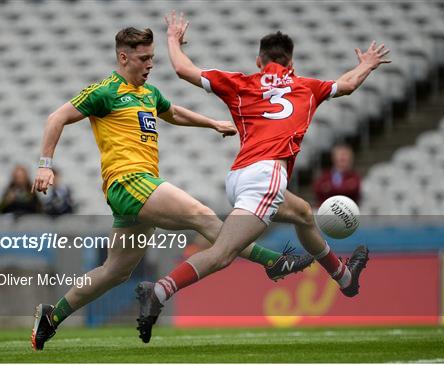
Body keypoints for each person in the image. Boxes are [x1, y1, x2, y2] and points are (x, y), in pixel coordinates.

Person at [30, 27, 314, 351]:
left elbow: (174, 112)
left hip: (137, 191)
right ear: (123, 57)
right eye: (144, 58)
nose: (151, 63)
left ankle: (51, 318)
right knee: (202, 215)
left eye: (152, 56)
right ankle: (271, 261)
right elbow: (57, 117)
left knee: (115, 271)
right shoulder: (105, 91)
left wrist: (212, 122)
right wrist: (44, 164)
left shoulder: (148, 93)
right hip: (128, 182)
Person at [136, 12, 390, 342]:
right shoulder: (306, 87)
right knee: (223, 253)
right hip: (267, 176)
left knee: (302, 214)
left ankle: (344, 277)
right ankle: (158, 292)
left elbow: (183, 69)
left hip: (240, 175)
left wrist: (172, 39)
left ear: (260, 61)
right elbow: (350, 84)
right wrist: (367, 63)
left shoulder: (241, 83)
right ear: (292, 63)